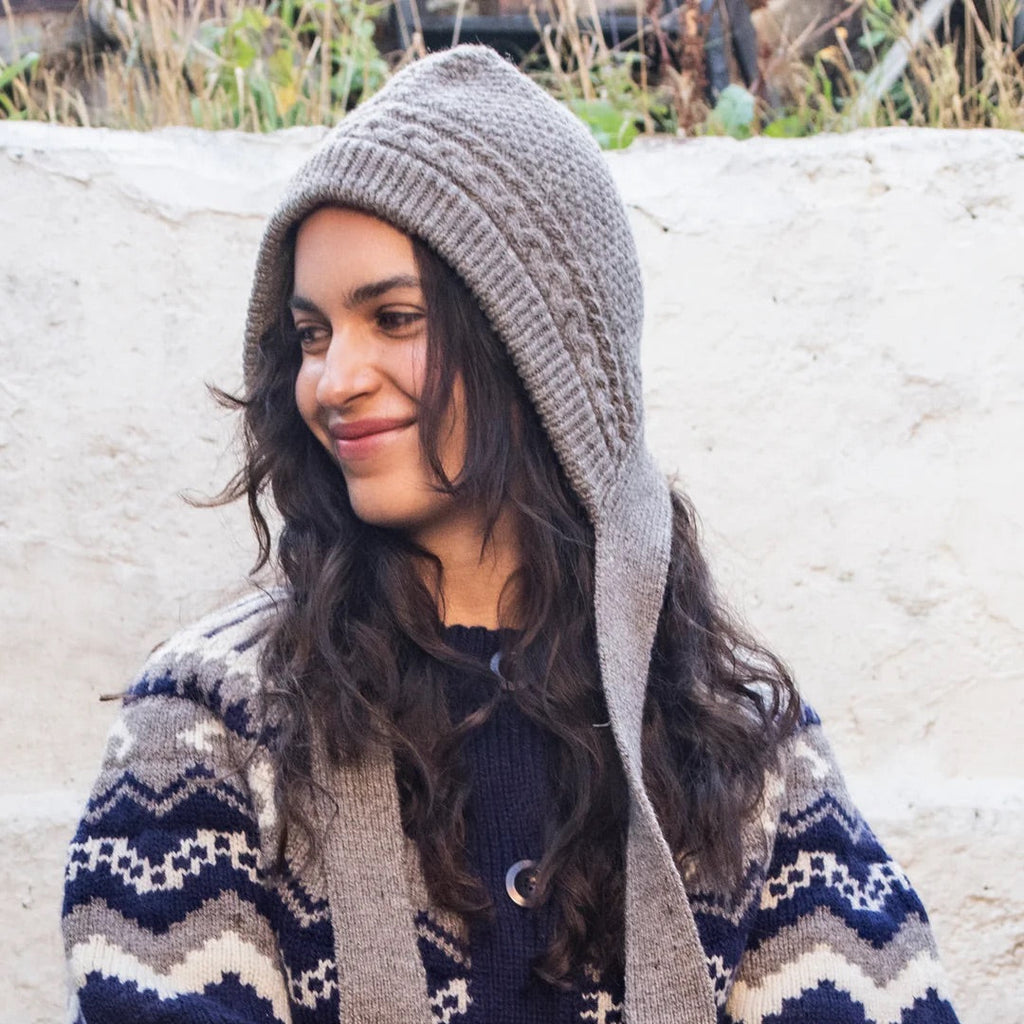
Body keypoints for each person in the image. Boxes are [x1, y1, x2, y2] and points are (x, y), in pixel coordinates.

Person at [61, 45, 960, 1024]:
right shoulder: (208, 725)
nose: (332, 378)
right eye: (311, 333)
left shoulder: (730, 732)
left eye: (393, 317)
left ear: (536, 347)